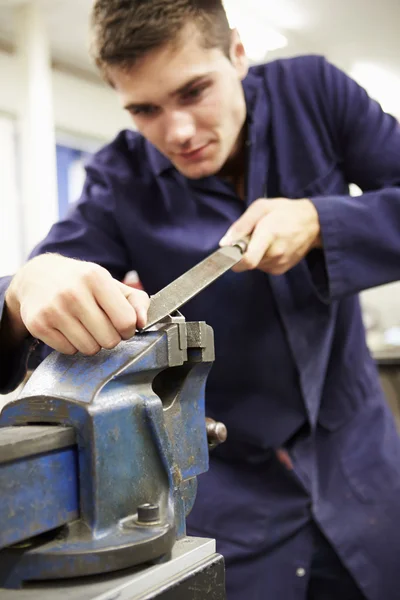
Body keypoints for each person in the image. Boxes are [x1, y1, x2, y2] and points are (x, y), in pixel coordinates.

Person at [1, 0, 400, 598]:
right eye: (145, 109)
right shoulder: (118, 181)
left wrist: (324, 220)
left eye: (194, 91)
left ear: (237, 53)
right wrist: (26, 289)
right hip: (230, 499)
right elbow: (42, 282)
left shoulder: (315, 92)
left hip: (362, 467)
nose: (178, 132)